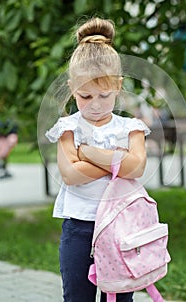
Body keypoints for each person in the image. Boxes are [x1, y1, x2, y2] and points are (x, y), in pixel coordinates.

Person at [45, 17, 150, 302]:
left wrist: (87, 153)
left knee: (119, 297)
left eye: (104, 95)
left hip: (120, 227)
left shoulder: (131, 127)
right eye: (84, 95)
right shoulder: (68, 127)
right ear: (71, 87)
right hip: (78, 227)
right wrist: (118, 162)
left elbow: (138, 167)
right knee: (77, 296)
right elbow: (70, 174)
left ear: (118, 85)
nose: (95, 104)